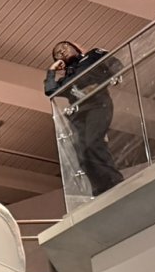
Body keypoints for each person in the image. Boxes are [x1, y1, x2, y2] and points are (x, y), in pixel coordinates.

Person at [44, 41, 125, 196]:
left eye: (64, 47)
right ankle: (99, 188)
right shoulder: (67, 79)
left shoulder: (92, 55)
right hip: (78, 114)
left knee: (93, 142)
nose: (62, 52)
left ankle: (114, 180)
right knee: (83, 153)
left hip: (98, 105)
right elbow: (50, 91)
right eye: (58, 54)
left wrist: (110, 79)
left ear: (75, 47)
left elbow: (114, 64)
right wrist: (51, 70)